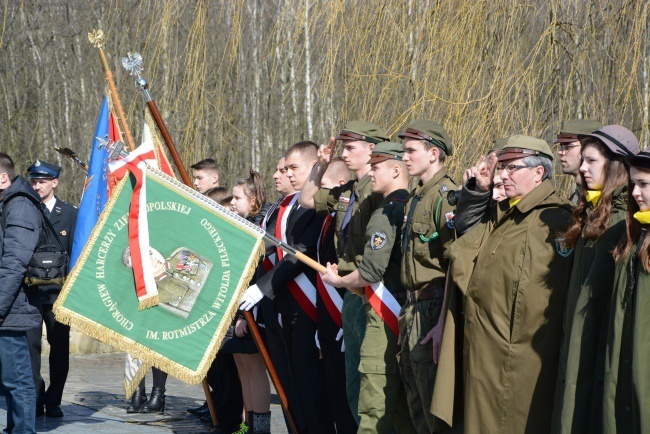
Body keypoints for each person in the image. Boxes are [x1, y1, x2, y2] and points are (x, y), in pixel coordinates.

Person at [460, 135, 574, 433]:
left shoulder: (555, 219)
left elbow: (543, 302)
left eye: (513, 168)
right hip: (486, 357)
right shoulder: (508, 215)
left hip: (516, 365)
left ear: (539, 173)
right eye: (503, 167)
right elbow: (463, 241)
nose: (504, 175)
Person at [240, 141, 334, 433]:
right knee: (291, 389)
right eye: (285, 169)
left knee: (311, 390)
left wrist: (263, 287)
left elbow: (300, 251)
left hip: (306, 306)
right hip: (282, 306)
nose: (288, 174)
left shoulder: (316, 205)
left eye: (294, 168)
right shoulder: (287, 206)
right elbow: (270, 248)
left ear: (313, 167)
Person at [321, 142, 415, 433]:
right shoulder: (410, 206)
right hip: (405, 311)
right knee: (398, 406)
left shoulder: (387, 212)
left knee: (373, 406)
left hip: (383, 311)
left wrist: (339, 281)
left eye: (376, 168)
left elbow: (371, 271)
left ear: (396, 170)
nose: (370, 173)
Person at [298, 121, 388, 421]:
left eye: (351, 147)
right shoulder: (348, 191)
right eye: (344, 148)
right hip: (350, 294)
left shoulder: (379, 193)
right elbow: (306, 199)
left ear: (371, 150)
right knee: (353, 385)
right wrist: (319, 167)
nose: (345, 154)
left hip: (371, 294)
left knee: (372, 387)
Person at [552, 125, 637, 433]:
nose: (583, 168)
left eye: (591, 162)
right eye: (583, 160)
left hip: (599, 358)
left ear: (614, 166)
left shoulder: (621, 224)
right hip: (579, 351)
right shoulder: (593, 215)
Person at [397, 120, 457, 433]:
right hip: (412, 311)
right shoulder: (416, 197)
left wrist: (442, 323)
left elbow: (455, 266)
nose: (404, 157)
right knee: (415, 405)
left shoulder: (445, 198)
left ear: (433, 153)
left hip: (432, 309)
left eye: (411, 150)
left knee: (434, 408)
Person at [23, 160, 77, 418]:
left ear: (54, 182)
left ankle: (53, 400)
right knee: (30, 348)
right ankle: (35, 397)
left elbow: (78, 252)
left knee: (60, 348)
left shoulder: (70, 213)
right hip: (30, 293)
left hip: (60, 293)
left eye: (42, 181)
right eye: (34, 181)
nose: (37, 186)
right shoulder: (24, 210)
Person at [606, 148, 650, 433]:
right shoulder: (632, 238)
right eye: (633, 183)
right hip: (625, 376)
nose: (635, 192)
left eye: (644, 184)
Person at [313, 157, 357, 433]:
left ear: (341, 185)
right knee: (336, 395)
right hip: (328, 319)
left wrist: (342, 319)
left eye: (325, 186)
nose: (320, 192)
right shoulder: (327, 219)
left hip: (345, 314)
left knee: (348, 396)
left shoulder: (348, 217)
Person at [0, 153, 43, 433]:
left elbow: (14, 263)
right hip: (7, 307)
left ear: (3, 177)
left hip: (12, 308)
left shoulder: (20, 205)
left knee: (17, 380)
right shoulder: (7, 203)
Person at [227, 170, 271, 433]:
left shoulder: (261, 226)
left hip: (252, 309)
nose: (232, 202)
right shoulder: (244, 223)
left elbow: (257, 273)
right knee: (243, 368)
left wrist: (246, 315)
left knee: (254, 369)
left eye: (237, 197)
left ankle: (260, 428)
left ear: (253, 198)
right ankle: (248, 425)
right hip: (238, 309)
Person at [555, 119, 604, 204]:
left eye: (568, 147)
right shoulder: (577, 196)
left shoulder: (608, 200)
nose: (560, 152)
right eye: (561, 147)